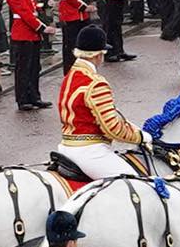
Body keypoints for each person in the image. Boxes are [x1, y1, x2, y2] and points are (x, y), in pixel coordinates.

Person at [56, 26, 148, 179]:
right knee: (135, 183)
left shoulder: (70, 76)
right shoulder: (95, 83)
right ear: (98, 55)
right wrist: (140, 137)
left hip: (66, 146)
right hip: (89, 151)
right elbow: (112, 128)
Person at [3, 0, 45, 111]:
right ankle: (23, 99)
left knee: (34, 67)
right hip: (23, 33)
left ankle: (34, 96)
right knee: (23, 69)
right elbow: (25, 13)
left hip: (32, 33)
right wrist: (41, 27)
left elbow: (32, 7)